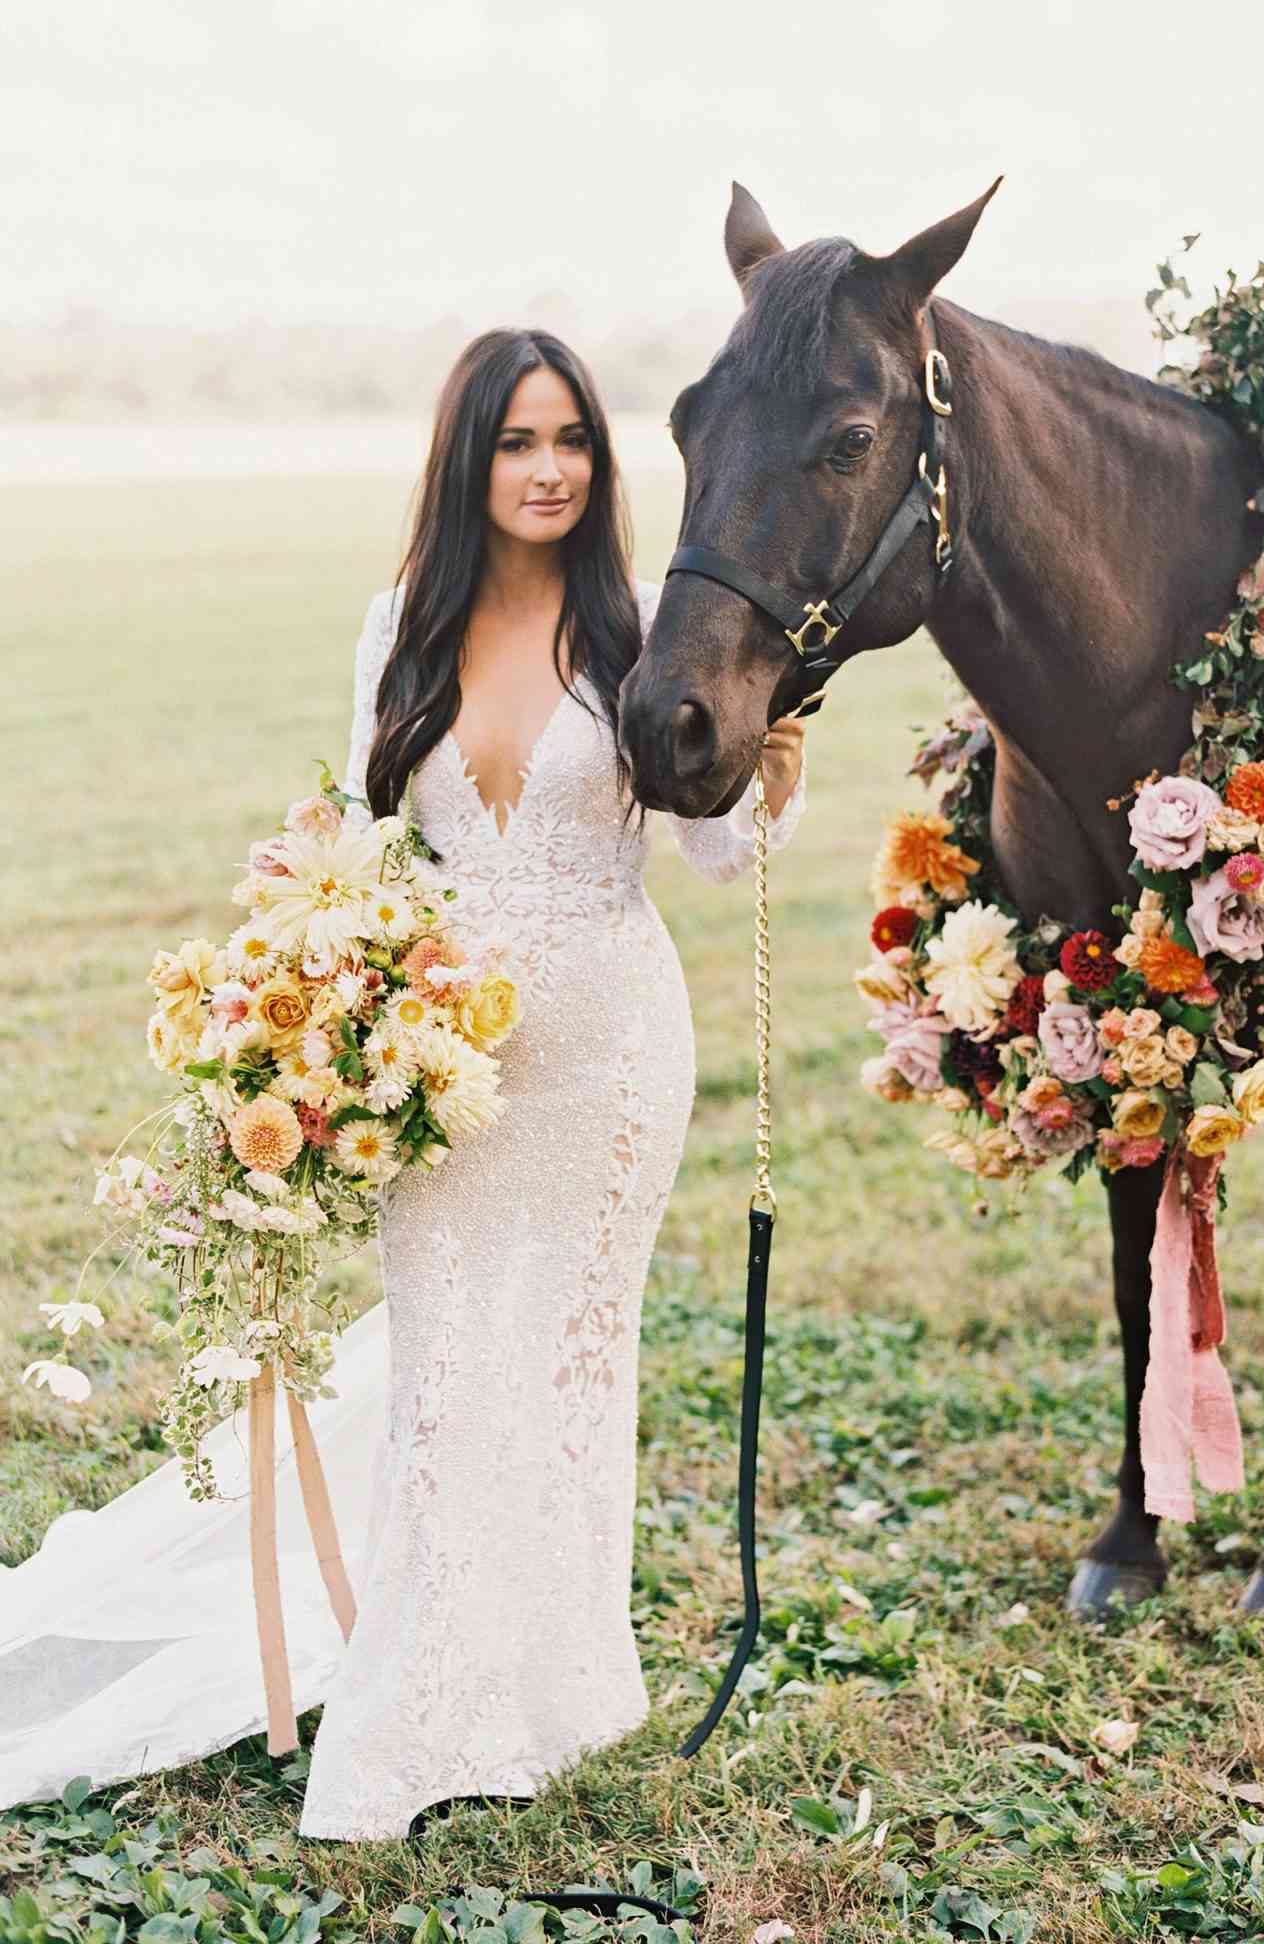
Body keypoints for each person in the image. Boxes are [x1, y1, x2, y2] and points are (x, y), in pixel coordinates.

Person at [0, 329, 806, 1841]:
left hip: (612, 1063)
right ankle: (425, 1687)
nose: (549, 467)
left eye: (570, 439)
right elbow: (372, 843)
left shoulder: (642, 634)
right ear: (466, 461)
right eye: (516, 441)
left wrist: (765, 780)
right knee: (447, 1369)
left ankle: (556, 1688)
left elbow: (704, 849)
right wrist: (319, 998)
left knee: (565, 1368)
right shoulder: (399, 631)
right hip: (439, 1068)